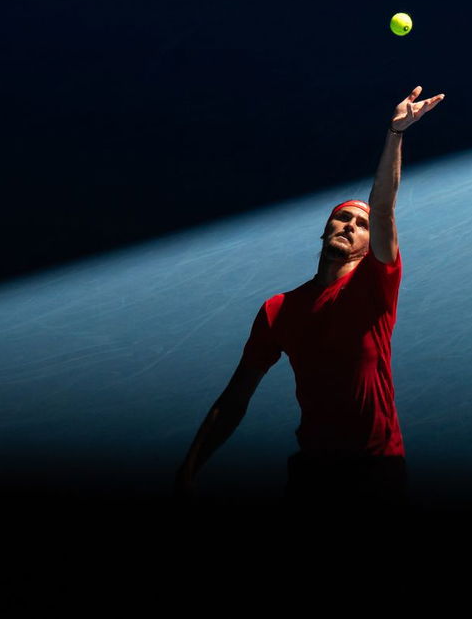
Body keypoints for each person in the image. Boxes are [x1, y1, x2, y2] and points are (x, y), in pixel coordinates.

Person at [175, 86, 445, 508]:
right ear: (325, 230)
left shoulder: (375, 284)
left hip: (377, 469)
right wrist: (188, 469)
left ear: (369, 244)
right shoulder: (278, 310)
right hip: (314, 471)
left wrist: (395, 134)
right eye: (342, 218)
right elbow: (235, 398)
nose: (350, 225)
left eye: (361, 224)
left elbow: (383, 208)